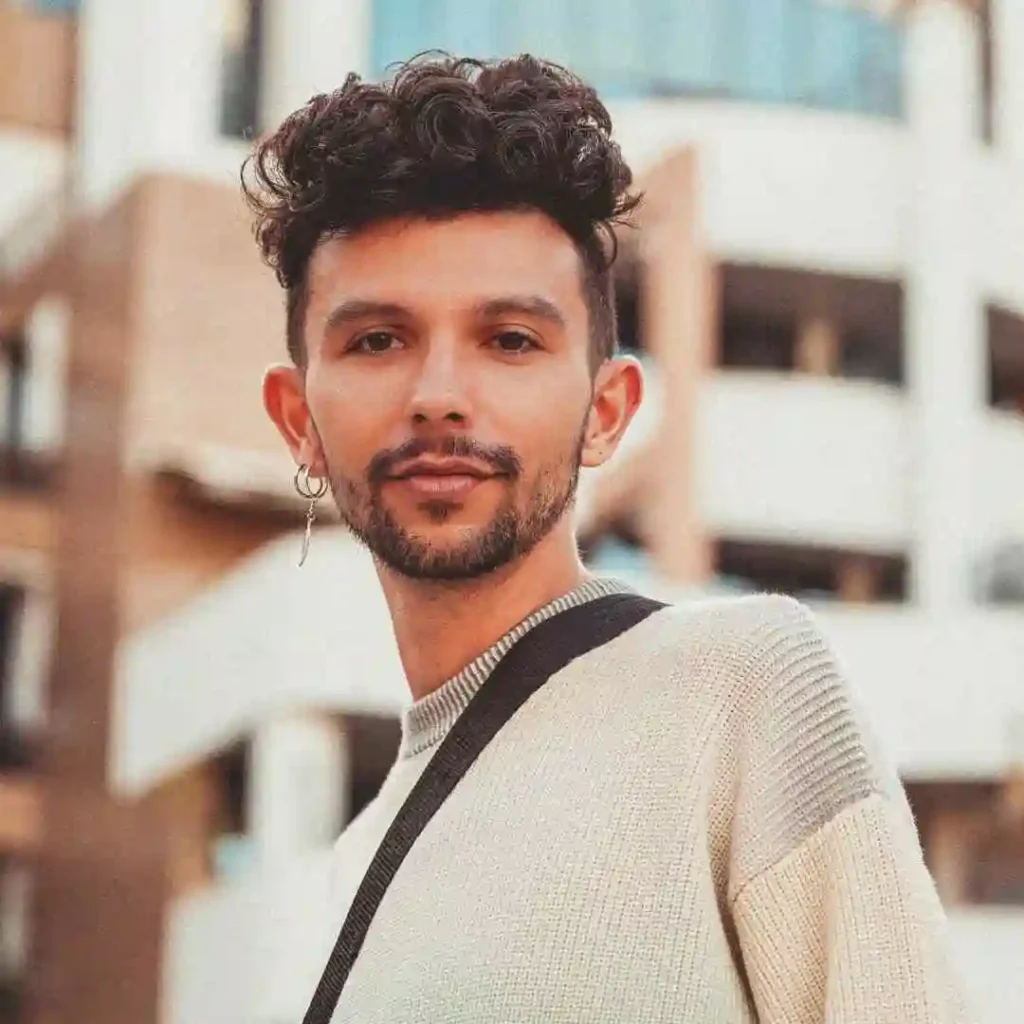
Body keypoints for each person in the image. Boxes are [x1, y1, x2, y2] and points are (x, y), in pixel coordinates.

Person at [247, 53, 970, 1024]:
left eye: (510, 339)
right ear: (298, 419)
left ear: (606, 409)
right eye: (377, 339)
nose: (438, 396)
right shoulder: (361, 855)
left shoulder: (742, 686)